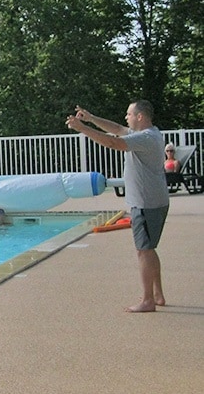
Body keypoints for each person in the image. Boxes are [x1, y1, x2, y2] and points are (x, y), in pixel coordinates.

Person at [67, 101, 170, 312]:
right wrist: (91, 118)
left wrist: (83, 129)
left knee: (144, 251)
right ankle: (157, 295)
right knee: (149, 249)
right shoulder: (149, 133)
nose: (126, 117)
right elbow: (117, 129)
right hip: (152, 200)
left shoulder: (146, 138)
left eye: (129, 114)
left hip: (146, 202)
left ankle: (148, 300)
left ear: (140, 116)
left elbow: (113, 143)